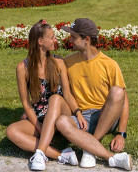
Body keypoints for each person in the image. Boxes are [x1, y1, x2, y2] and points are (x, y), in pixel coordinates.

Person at [6, 20, 87, 171]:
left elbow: (67, 95)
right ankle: (61, 155)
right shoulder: (23, 68)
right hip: (39, 115)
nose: (56, 40)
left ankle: (40, 152)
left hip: (60, 112)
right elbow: (26, 103)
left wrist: (78, 113)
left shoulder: (58, 62)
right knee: (11, 131)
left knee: (55, 98)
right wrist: (39, 126)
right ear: (40, 41)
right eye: (52, 37)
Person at [55, 18, 132, 171]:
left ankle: (89, 149)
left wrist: (121, 134)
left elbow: (123, 99)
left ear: (87, 40)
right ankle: (94, 148)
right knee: (61, 122)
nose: (69, 40)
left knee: (117, 91)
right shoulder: (68, 62)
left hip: (105, 116)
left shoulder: (109, 64)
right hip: (81, 118)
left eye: (73, 37)